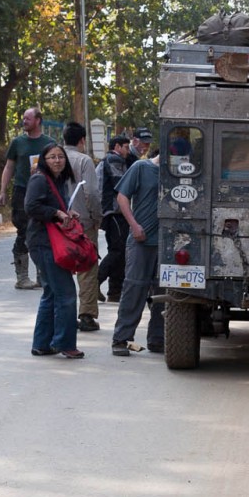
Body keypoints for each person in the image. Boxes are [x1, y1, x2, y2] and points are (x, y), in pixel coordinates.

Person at [24, 142, 83, 359]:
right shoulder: (39, 179)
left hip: (50, 242)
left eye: (60, 156)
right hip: (44, 243)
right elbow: (31, 207)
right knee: (66, 293)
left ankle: (42, 344)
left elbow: (51, 205)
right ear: (44, 160)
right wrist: (56, 213)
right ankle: (65, 343)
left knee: (51, 292)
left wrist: (67, 212)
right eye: (52, 157)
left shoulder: (56, 180)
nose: (57, 160)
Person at [109, 140, 166, 358]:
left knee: (164, 293)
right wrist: (134, 225)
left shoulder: (181, 173)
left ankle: (158, 339)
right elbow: (122, 197)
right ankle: (121, 338)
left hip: (167, 244)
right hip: (141, 240)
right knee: (134, 289)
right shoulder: (141, 167)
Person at [0, 106, 53, 290]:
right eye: (24, 118)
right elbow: (9, 167)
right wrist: (3, 190)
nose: (24, 121)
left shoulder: (49, 144)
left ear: (38, 121)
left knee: (43, 232)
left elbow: (57, 168)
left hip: (42, 191)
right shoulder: (17, 143)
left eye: (28, 118)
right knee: (24, 231)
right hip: (22, 191)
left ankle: (42, 275)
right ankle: (22, 277)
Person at [62, 122, 103, 332]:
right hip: (83, 223)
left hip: (58, 224)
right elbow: (93, 194)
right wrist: (97, 217)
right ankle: (86, 316)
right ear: (82, 140)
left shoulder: (52, 157)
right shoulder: (84, 160)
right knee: (86, 267)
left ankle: (61, 314)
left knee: (61, 267)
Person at [98, 132, 133, 303]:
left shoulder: (118, 160)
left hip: (117, 213)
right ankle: (96, 281)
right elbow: (122, 184)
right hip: (114, 213)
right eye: (126, 147)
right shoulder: (114, 160)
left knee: (120, 253)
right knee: (117, 251)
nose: (128, 151)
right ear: (117, 147)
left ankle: (114, 292)